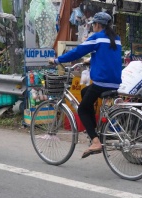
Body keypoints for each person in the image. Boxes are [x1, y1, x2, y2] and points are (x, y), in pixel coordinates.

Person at [49, 12, 122, 159]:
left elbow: (77, 52)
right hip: (114, 82)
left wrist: (57, 60)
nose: (92, 27)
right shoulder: (116, 38)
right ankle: (93, 131)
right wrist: (91, 60)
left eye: (93, 25)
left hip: (101, 82)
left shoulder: (96, 37)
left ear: (97, 25)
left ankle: (95, 141)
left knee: (82, 109)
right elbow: (107, 57)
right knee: (85, 93)